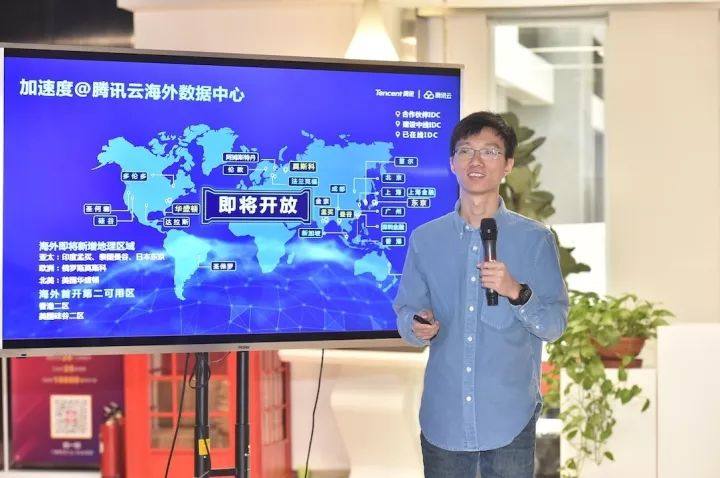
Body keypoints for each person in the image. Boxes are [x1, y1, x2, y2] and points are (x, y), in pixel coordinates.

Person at [393, 111, 568, 478]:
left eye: (489, 151)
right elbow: (407, 313)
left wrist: (515, 291)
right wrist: (418, 325)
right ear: (452, 163)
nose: (476, 161)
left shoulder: (535, 240)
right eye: (465, 151)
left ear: (508, 165)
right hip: (444, 419)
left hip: (509, 419)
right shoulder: (426, 239)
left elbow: (554, 325)